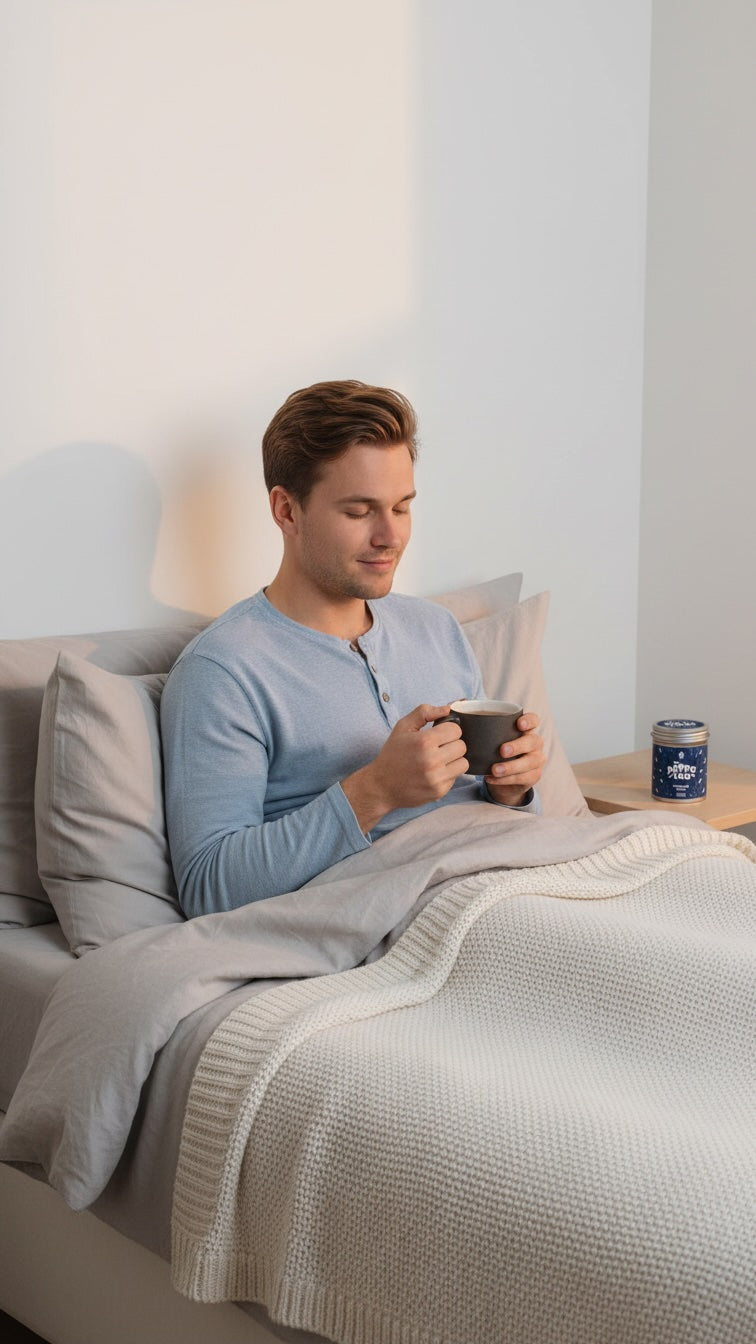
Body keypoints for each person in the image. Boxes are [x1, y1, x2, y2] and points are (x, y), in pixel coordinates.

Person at [160, 380, 545, 917]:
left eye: (402, 507)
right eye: (360, 511)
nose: (390, 536)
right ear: (286, 511)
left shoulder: (435, 628)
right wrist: (375, 791)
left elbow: (504, 817)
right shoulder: (224, 671)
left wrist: (513, 790)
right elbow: (210, 889)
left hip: (518, 878)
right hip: (413, 913)